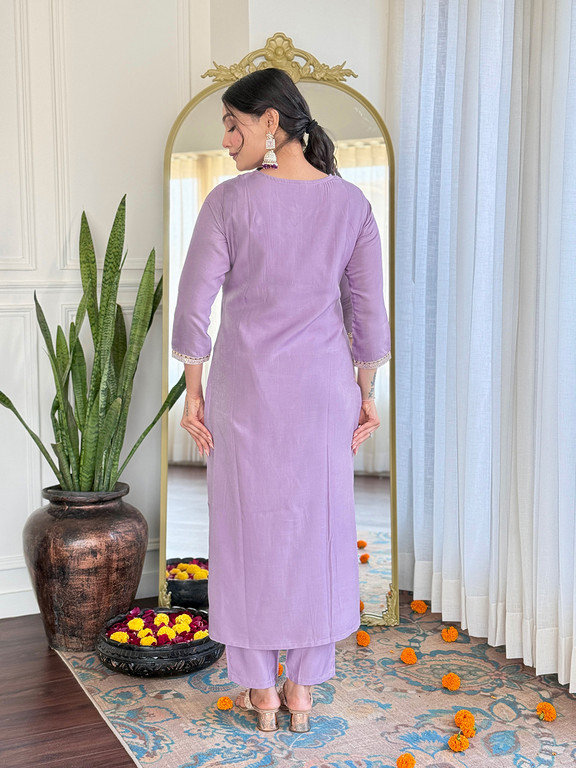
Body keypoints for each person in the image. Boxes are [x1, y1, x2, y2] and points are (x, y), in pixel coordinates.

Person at [171, 67, 391, 733]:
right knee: (318, 533)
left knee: (247, 535)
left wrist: (193, 394)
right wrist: (366, 395)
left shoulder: (228, 202)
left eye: (232, 124)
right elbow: (366, 315)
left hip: (245, 395)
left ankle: (260, 692)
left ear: (270, 122)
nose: (226, 139)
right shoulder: (351, 206)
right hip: (323, 395)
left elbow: (194, 305)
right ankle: (301, 692)